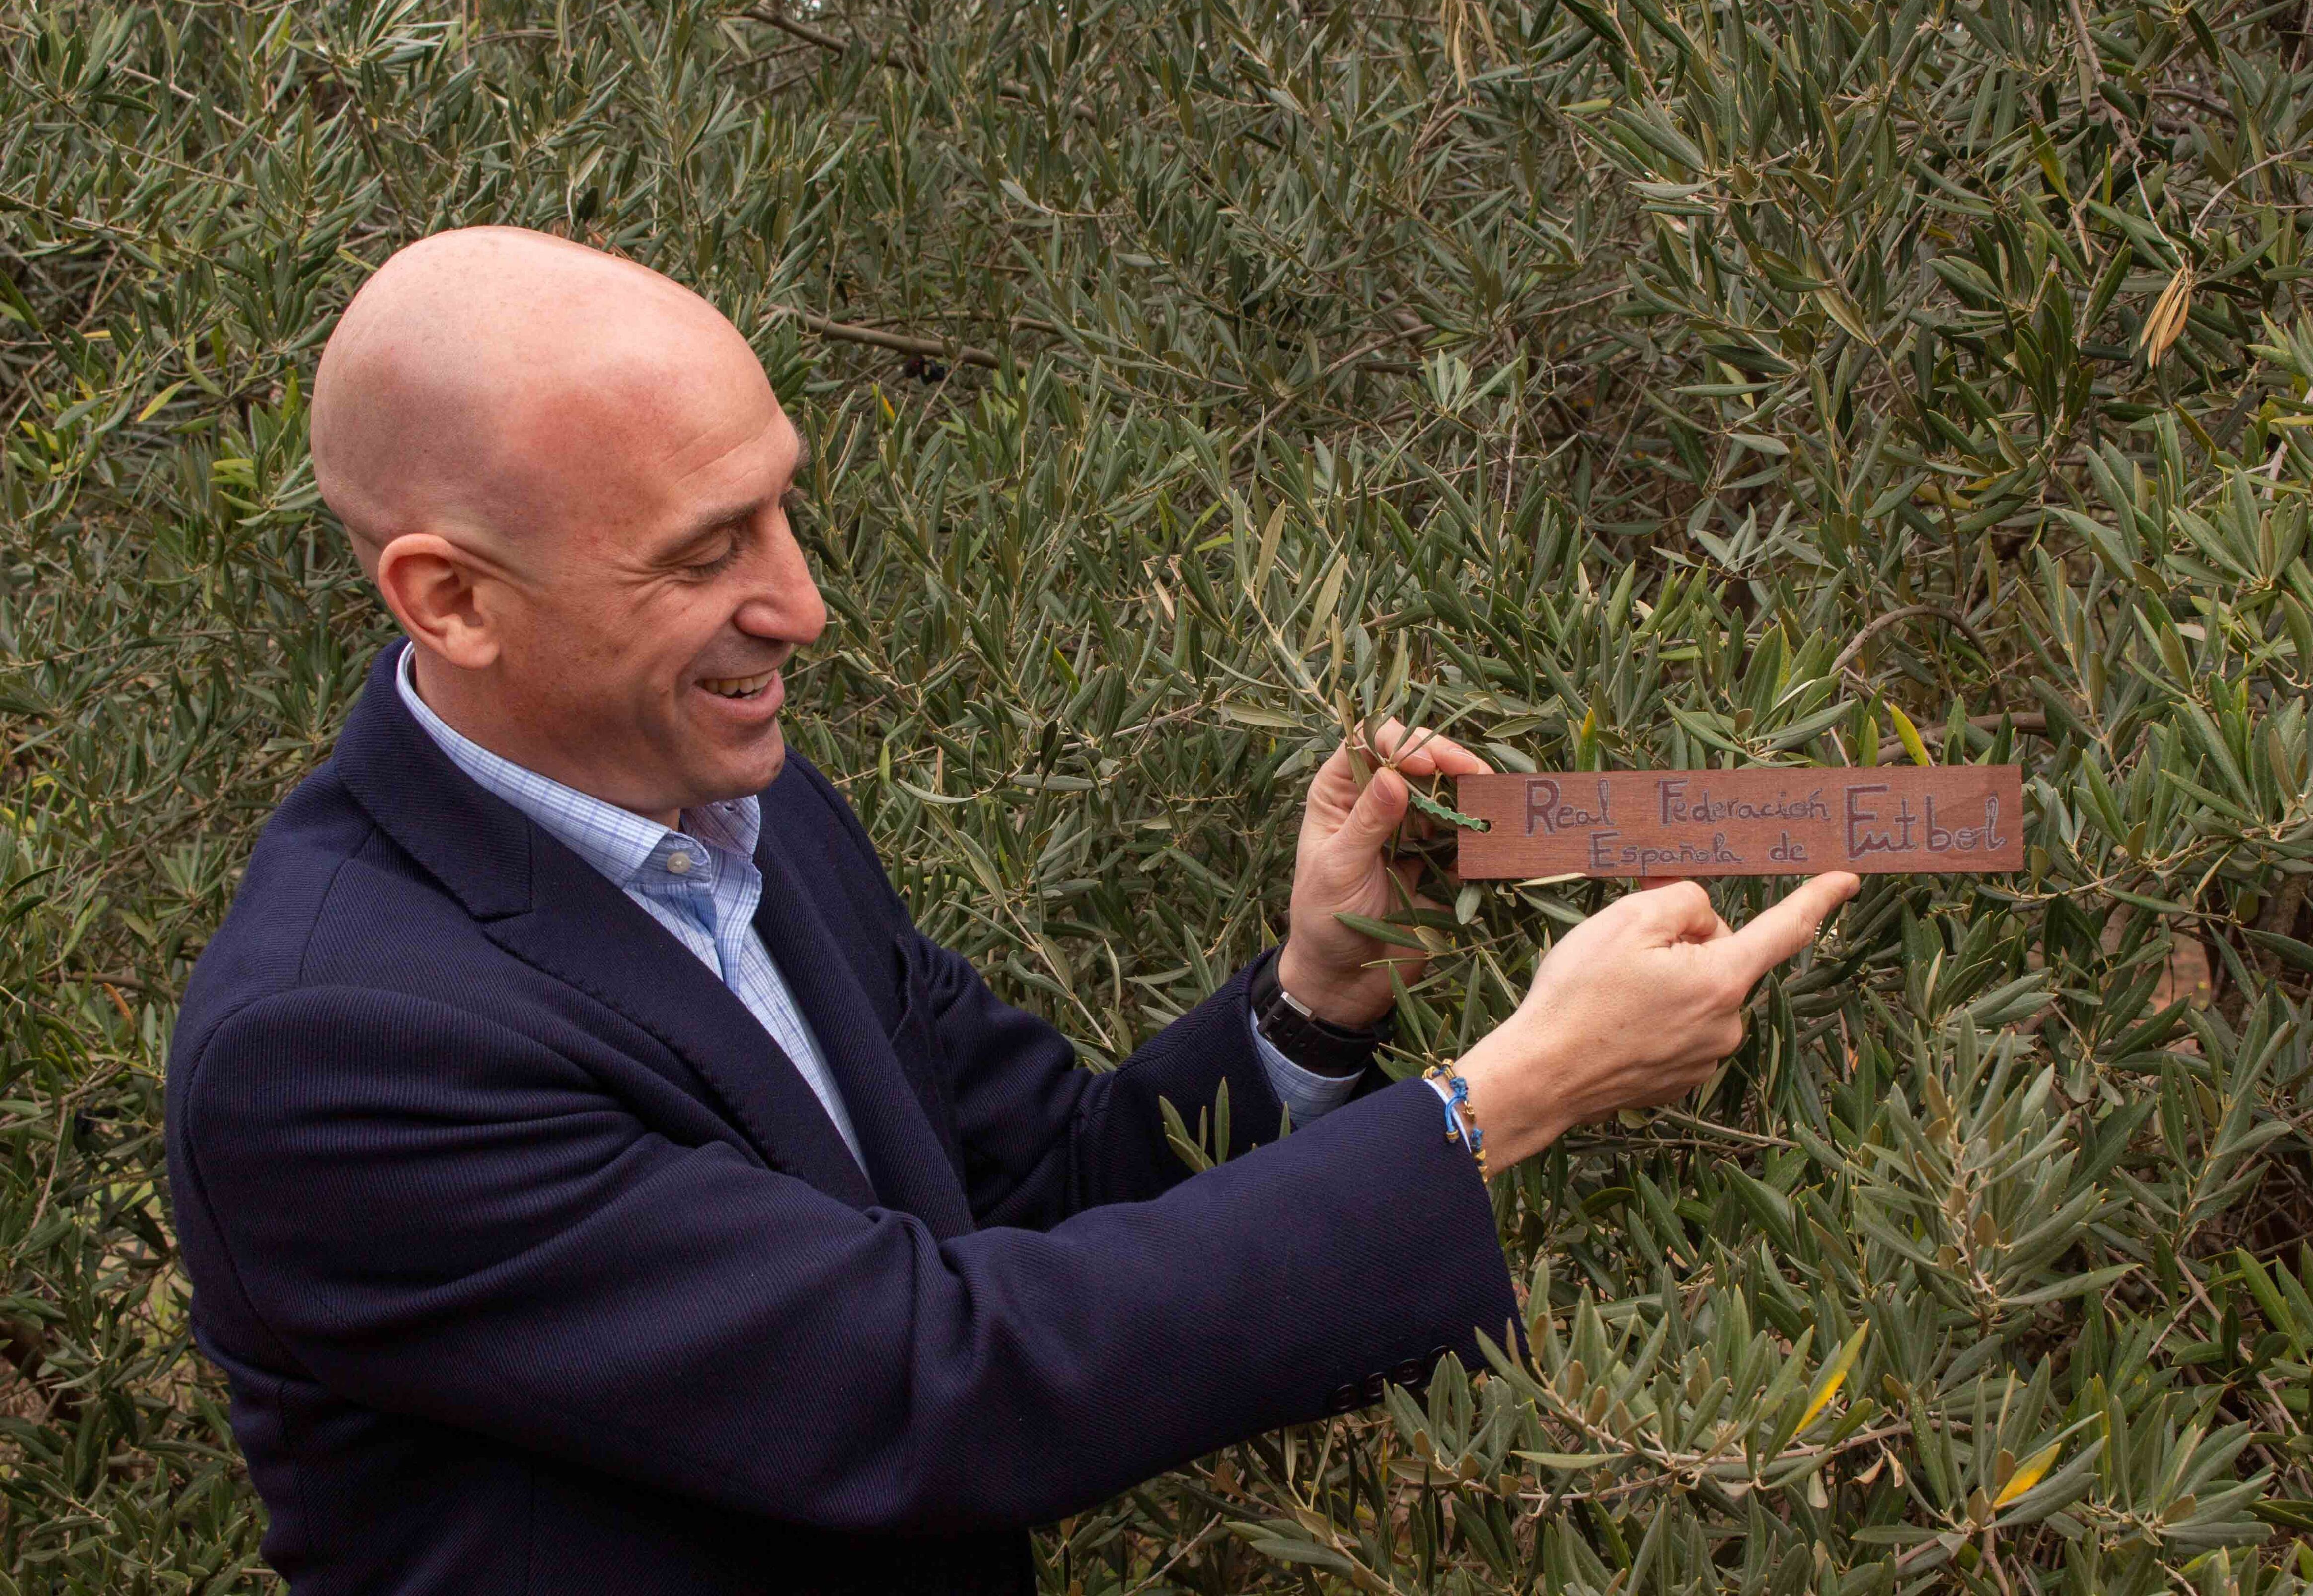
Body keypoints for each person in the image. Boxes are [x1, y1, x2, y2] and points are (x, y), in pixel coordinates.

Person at [163, 226, 1859, 1595]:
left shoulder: (749, 818)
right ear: (450, 598)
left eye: (784, 503)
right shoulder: (340, 1050)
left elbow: (1041, 1184)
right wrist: (1512, 1097)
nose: (802, 603)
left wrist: (1319, 989)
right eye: (702, 556)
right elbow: (927, 1386)